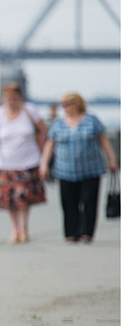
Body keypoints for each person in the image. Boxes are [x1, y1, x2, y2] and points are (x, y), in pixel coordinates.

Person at [39, 93, 117, 243]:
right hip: (65, 170)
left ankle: (86, 232)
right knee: (68, 203)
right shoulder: (58, 123)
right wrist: (43, 164)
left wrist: (112, 159)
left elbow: (103, 140)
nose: (65, 107)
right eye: (63, 104)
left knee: (89, 201)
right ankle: (70, 233)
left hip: (90, 169)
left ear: (77, 104)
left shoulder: (91, 120)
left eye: (68, 104)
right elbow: (50, 144)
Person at [0, 82, 47, 244]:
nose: (11, 102)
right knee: (10, 198)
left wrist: (40, 149)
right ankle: (15, 229)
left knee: (24, 196)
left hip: (28, 161)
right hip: (5, 162)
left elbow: (43, 130)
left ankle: (24, 228)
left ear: (19, 97)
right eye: (8, 99)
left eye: (14, 98)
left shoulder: (30, 110)